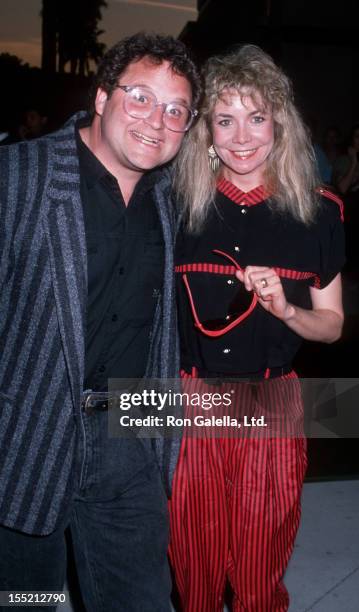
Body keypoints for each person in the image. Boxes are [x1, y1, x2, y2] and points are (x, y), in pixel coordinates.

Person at [0, 32, 200, 612]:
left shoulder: (167, 200)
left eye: (175, 110)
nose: (155, 121)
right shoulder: (18, 176)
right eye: (140, 97)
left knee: (140, 599)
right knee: (29, 602)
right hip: (26, 438)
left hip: (130, 432)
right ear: (103, 97)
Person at [168, 45, 345, 611]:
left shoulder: (318, 211)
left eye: (256, 117)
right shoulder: (174, 204)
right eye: (225, 119)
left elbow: (333, 326)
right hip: (187, 399)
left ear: (279, 124)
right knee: (191, 563)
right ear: (206, 132)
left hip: (274, 397)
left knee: (260, 564)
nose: (241, 136)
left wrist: (289, 312)